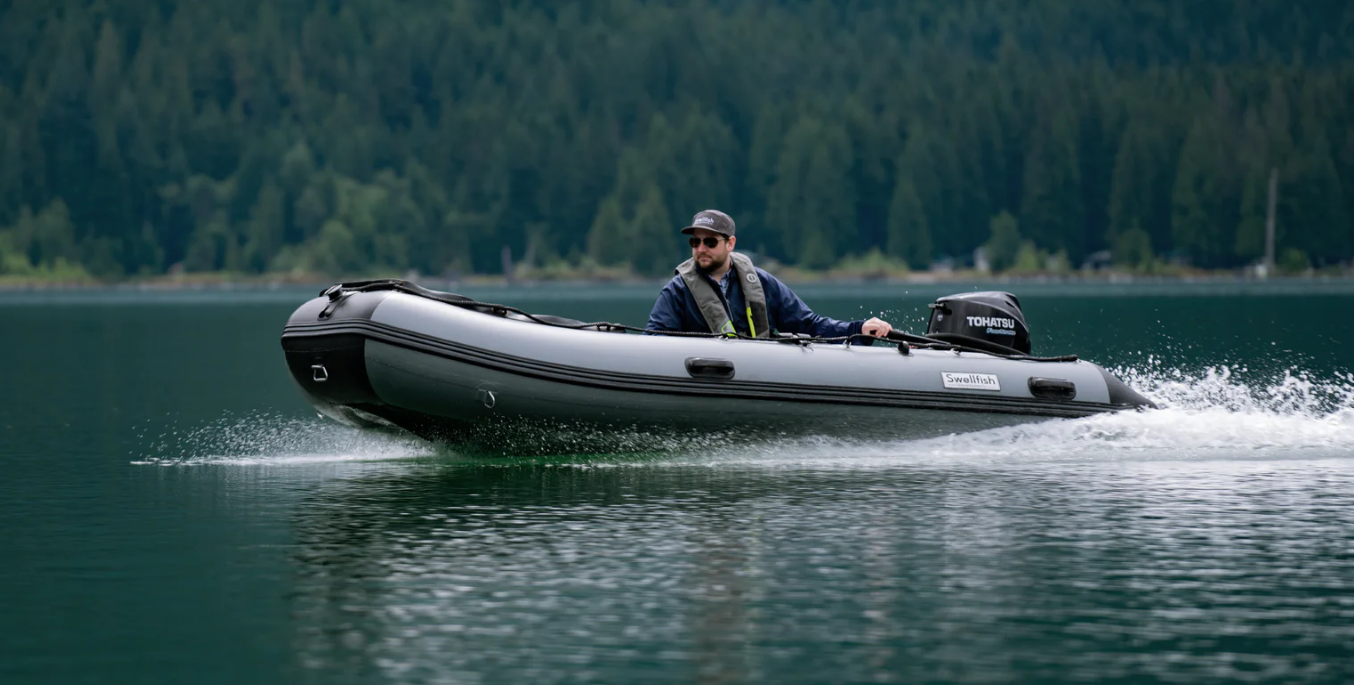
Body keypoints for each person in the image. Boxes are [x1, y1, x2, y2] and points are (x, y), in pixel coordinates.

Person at [646, 209, 894, 341]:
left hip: (757, 378)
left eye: (710, 242)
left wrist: (858, 328)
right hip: (704, 381)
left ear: (730, 243)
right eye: (695, 241)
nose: (700, 249)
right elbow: (654, 341)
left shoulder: (761, 282)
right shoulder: (677, 290)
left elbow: (808, 324)